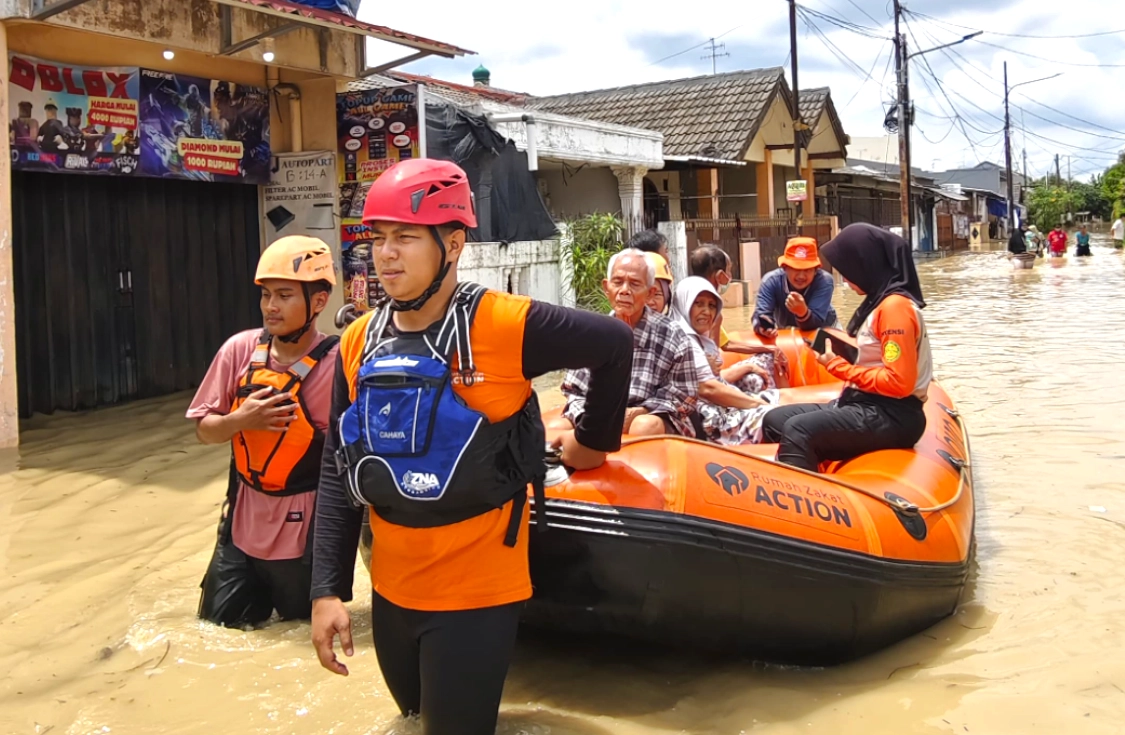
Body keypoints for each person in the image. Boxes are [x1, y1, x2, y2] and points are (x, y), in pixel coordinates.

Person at [309, 158, 632, 735]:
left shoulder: (503, 325)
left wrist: (592, 444)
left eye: (405, 237)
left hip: (475, 593)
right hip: (392, 593)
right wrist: (327, 591)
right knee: (410, 721)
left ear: (453, 244)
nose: (385, 254)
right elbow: (338, 469)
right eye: (378, 238)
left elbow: (614, 342)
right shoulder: (359, 340)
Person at [188, 236, 339, 628]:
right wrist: (240, 420)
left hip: (304, 536)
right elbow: (204, 431)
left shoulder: (340, 364)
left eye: (285, 295)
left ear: (319, 302)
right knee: (215, 630)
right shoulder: (238, 351)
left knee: (300, 632)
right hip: (240, 525)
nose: (270, 306)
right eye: (266, 295)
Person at [762, 223, 932, 472]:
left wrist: (835, 364)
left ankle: (799, 498)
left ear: (866, 265)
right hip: (864, 402)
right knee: (774, 420)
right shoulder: (880, 303)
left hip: (892, 414)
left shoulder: (895, 308)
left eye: (848, 269)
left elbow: (899, 382)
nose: (846, 278)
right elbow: (876, 358)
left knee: (798, 429)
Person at [563, 248, 702, 438]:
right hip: (601, 417)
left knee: (643, 426)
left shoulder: (673, 334)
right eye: (618, 282)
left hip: (652, 416)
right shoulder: (591, 334)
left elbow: (684, 395)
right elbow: (574, 390)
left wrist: (640, 412)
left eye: (635, 284)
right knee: (557, 427)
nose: (624, 291)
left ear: (650, 292)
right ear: (606, 288)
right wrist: (591, 418)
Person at [672, 276, 781, 445]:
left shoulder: (701, 338)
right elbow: (709, 389)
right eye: (698, 304)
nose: (707, 312)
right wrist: (759, 404)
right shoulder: (684, 341)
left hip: (722, 409)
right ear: (684, 304)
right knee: (781, 417)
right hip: (713, 421)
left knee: (783, 402)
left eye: (711, 305)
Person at [689, 245, 780, 359]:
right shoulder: (712, 312)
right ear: (720, 275)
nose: (730, 276)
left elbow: (726, 344)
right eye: (729, 271)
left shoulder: (688, 298)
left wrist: (766, 348)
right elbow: (712, 359)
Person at [752, 237, 838, 338]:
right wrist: (764, 327)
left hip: (824, 328)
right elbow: (761, 314)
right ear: (785, 268)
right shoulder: (770, 281)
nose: (801, 276)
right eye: (795, 269)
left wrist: (803, 313)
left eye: (807, 270)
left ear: (815, 270)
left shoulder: (824, 281)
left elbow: (816, 322)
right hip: (785, 332)